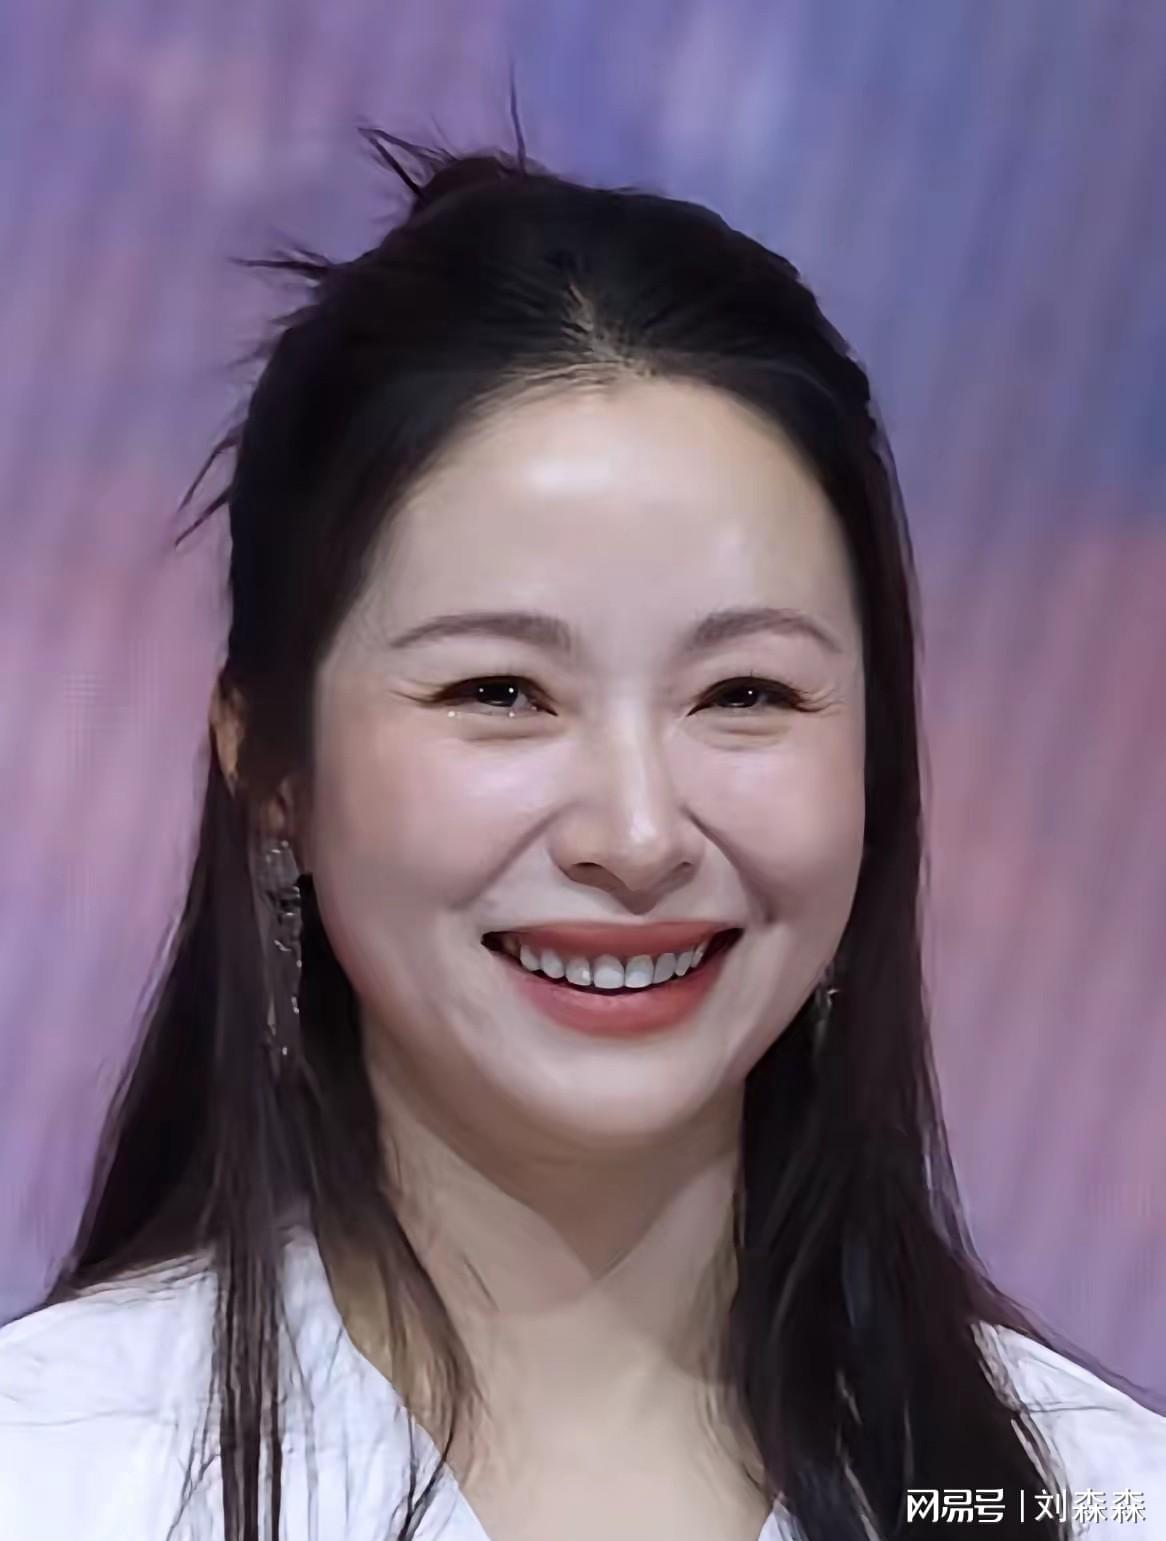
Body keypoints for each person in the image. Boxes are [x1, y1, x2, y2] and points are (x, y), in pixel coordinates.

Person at [1, 114, 1163, 1541]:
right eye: (501, 692)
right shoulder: (48, 1477)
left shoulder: (1101, 1499)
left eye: (744, 693)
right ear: (274, 769)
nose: (637, 830)